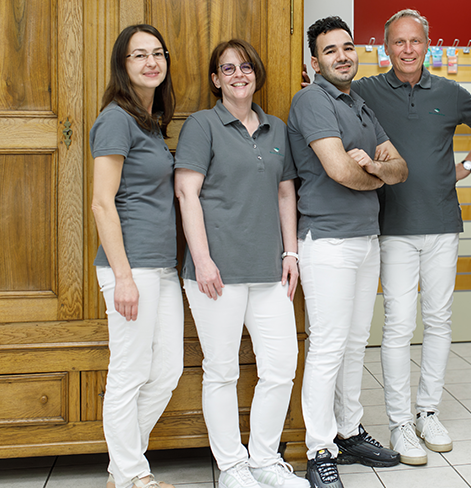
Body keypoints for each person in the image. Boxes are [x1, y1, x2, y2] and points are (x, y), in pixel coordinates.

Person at [349, 9, 471, 464]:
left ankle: (427, 411)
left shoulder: (451, 93)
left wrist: (467, 166)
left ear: (428, 45)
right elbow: (329, 95)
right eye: (399, 42)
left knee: (439, 321)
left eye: (416, 41)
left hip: (443, 225)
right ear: (385, 47)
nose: (408, 49)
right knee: (397, 325)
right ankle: (399, 423)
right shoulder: (365, 90)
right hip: (393, 228)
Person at [174, 39, 307, 488]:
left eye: (245, 67)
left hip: (269, 271)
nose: (237, 75)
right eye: (227, 69)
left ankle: (265, 459)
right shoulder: (202, 125)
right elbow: (187, 193)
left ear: (256, 74)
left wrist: (291, 254)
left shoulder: (276, 127)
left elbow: (285, 192)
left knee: (281, 365)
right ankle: (232, 466)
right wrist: (203, 260)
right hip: (216, 275)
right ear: (216, 79)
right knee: (223, 369)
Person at [288, 16, 408, 488]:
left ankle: (348, 430)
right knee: (328, 346)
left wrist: (379, 168)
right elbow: (339, 170)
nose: (342, 55)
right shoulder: (311, 100)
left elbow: (401, 168)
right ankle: (319, 448)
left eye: (348, 46)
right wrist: (376, 171)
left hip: (365, 238)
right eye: (330, 50)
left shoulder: (358, 103)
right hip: (328, 241)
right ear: (314, 62)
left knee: (356, 341)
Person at [90, 24, 182, 488]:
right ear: (122, 66)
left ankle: (120, 467)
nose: (151, 62)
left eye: (157, 53)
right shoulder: (115, 119)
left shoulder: (150, 122)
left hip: (162, 266)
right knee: (129, 373)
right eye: (139, 55)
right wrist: (123, 277)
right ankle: (131, 476)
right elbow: (102, 203)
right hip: (131, 268)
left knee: (166, 371)